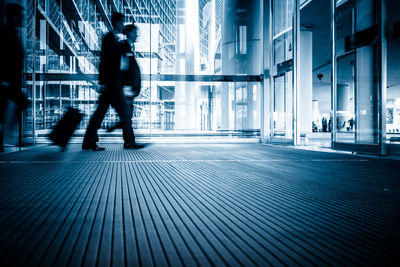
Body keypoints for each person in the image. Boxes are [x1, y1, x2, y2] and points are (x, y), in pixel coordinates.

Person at [82, 13, 139, 150]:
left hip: (113, 84)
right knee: (119, 114)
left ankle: (89, 142)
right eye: (121, 22)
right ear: (116, 23)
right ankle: (129, 141)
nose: (122, 25)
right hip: (111, 85)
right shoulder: (109, 39)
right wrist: (103, 81)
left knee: (101, 113)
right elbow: (104, 61)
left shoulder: (115, 40)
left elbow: (119, 64)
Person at [0, 4, 28, 152]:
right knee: (21, 103)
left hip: (12, 82)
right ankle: (8, 135)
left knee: (19, 104)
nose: (22, 17)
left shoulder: (13, 33)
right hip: (7, 82)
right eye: (19, 14)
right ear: (12, 16)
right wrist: (4, 79)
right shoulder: (6, 34)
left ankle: (6, 135)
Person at [108, 24, 141, 133]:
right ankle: (129, 141)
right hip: (126, 87)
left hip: (128, 87)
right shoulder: (124, 47)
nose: (137, 35)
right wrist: (126, 86)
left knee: (127, 116)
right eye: (135, 32)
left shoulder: (128, 48)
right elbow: (123, 68)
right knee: (127, 116)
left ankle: (124, 134)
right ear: (129, 33)